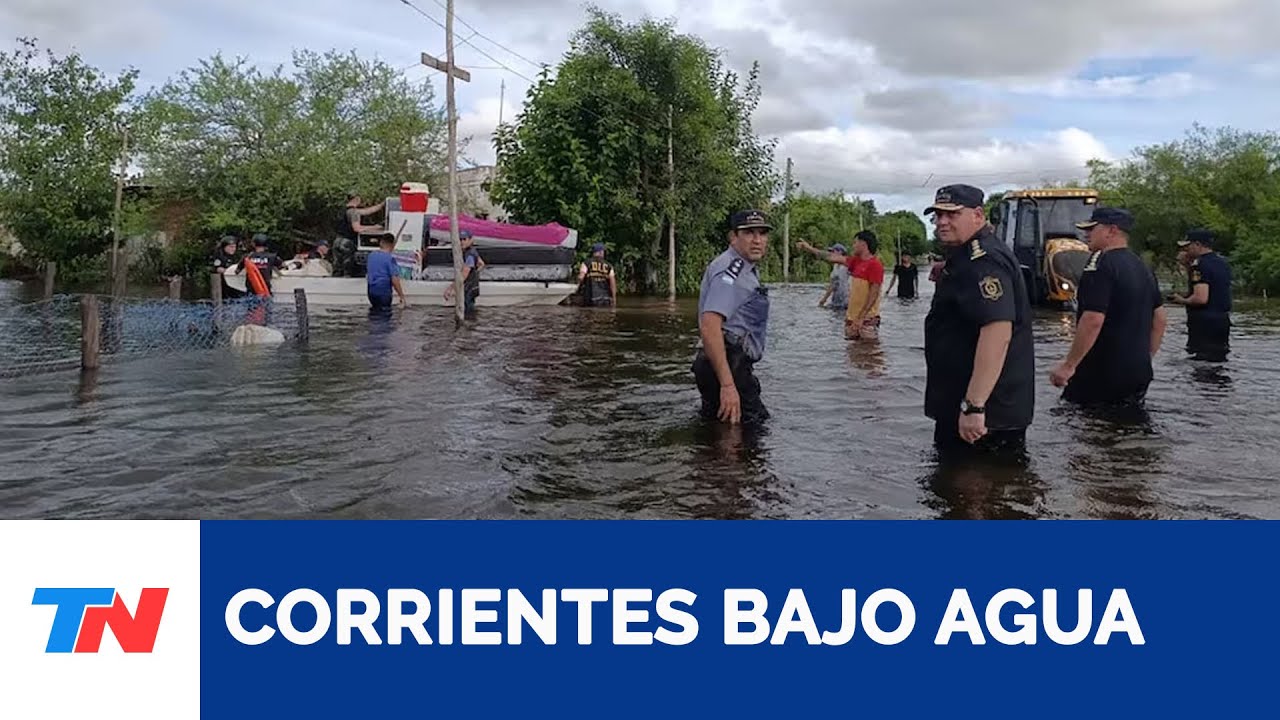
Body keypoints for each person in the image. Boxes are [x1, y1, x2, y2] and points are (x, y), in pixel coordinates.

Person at [922, 184, 1035, 456]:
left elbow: (997, 330)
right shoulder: (968, 256)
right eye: (937, 215)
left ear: (977, 214)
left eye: (952, 214)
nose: (942, 222)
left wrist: (974, 406)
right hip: (973, 407)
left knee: (976, 491)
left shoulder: (984, 260)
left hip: (985, 416)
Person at [1049, 207, 1167, 406]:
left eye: (1092, 228)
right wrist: (1144, 358)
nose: (1086, 234)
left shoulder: (1100, 263)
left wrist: (1069, 365)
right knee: (1129, 426)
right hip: (1138, 372)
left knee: (1084, 427)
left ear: (1112, 231)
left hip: (1101, 372)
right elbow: (1161, 320)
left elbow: (1093, 319)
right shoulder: (1142, 266)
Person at [691, 209, 772, 425]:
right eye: (749, 233)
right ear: (733, 237)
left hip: (724, 365)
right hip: (727, 365)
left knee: (721, 434)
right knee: (751, 436)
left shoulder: (743, 268)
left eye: (762, 233)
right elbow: (709, 326)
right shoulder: (731, 272)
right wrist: (727, 386)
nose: (757, 240)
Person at [796, 230, 884, 340]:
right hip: (851, 318)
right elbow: (830, 257)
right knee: (852, 354)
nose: (853, 246)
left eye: (855, 242)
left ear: (863, 244)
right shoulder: (855, 262)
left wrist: (861, 318)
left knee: (870, 353)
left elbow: (874, 293)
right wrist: (809, 248)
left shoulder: (875, 265)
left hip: (867, 320)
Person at [1169, 228, 1232, 362]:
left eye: (1188, 246)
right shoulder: (1222, 263)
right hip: (1222, 320)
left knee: (1200, 362)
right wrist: (1187, 265)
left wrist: (1181, 300)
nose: (1185, 250)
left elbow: (1200, 298)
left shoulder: (1200, 265)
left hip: (1204, 323)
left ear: (1197, 244)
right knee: (1218, 360)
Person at [334, 192, 385, 277]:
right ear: (356, 199)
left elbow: (366, 211)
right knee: (348, 269)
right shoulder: (354, 212)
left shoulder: (344, 210)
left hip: (337, 241)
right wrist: (375, 227)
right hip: (347, 243)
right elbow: (357, 228)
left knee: (338, 268)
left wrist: (381, 205)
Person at [443, 230, 484, 314]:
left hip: (468, 289)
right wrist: (475, 275)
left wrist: (450, 288)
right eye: (460, 239)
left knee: (467, 312)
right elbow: (481, 264)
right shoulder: (473, 251)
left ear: (470, 240)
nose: (462, 242)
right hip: (473, 287)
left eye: (464, 239)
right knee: (470, 311)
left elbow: (463, 276)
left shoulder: (469, 255)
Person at [366, 233, 408, 309]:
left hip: (371, 292)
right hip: (383, 292)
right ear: (392, 245)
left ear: (381, 242)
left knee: (374, 313)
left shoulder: (371, 256)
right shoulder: (390, 259)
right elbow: (394, 280)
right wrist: (402, 297)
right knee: (384, 315)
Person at [576, 242, 617, 306]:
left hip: (591, 297)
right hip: (605, 298)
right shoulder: (609, 266)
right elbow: (613, 284)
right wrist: (614, 299)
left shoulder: (586, 263)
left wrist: (576, 289)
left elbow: (581, 277)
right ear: (601, 252)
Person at [816, 244, 850, 310]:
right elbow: (832, 285)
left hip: (846, 301)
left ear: (840, 252)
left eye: (833, 251)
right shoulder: (835, 267)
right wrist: (823, 300)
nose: (831, 254)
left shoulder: (847, 266)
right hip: (837, 300)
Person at [211, 235, 245, 299]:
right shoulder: (219, 256)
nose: (233, 249)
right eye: (231, 247)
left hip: (236, 283)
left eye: (234, 247)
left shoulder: (237, 256)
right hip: (224, 285)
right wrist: (229, 271)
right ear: (224, 247)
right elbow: (218, 269)